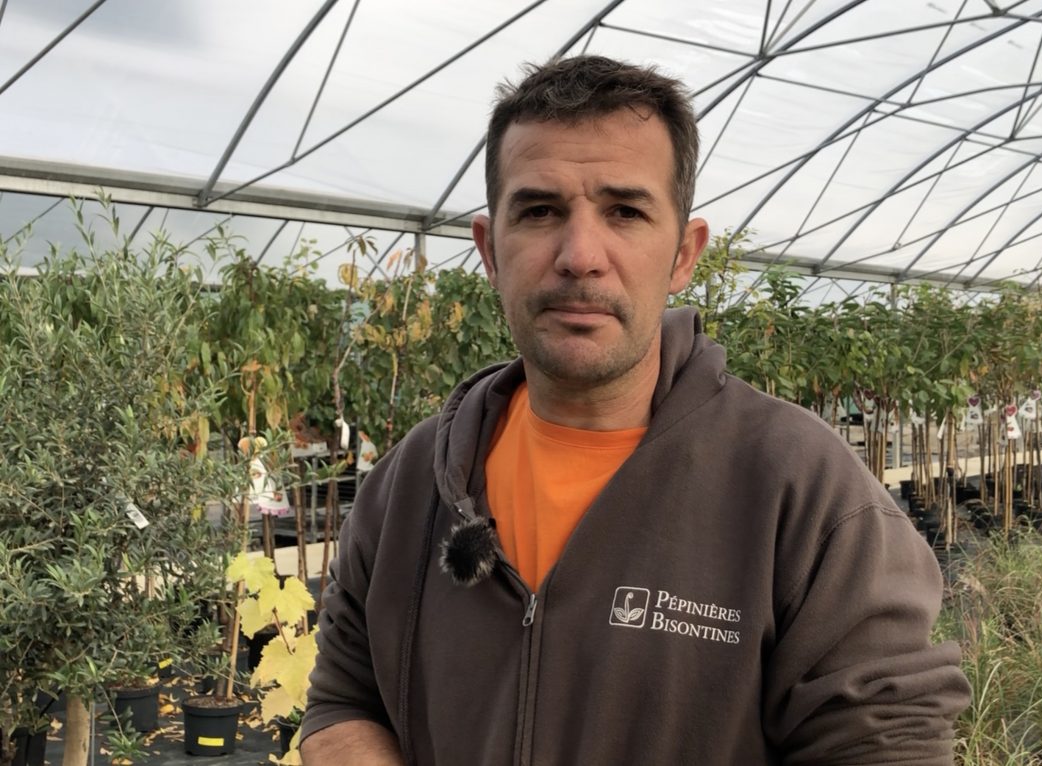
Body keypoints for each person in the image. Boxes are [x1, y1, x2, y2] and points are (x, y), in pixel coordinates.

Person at [300, 55, 970, 765]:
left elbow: (884, 745)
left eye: (625, 211)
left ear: (683, 254)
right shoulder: (415, 484)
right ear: (490, 251)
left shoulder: (799, 491)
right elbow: (345, 701)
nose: (580, 254)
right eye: (539, 210)